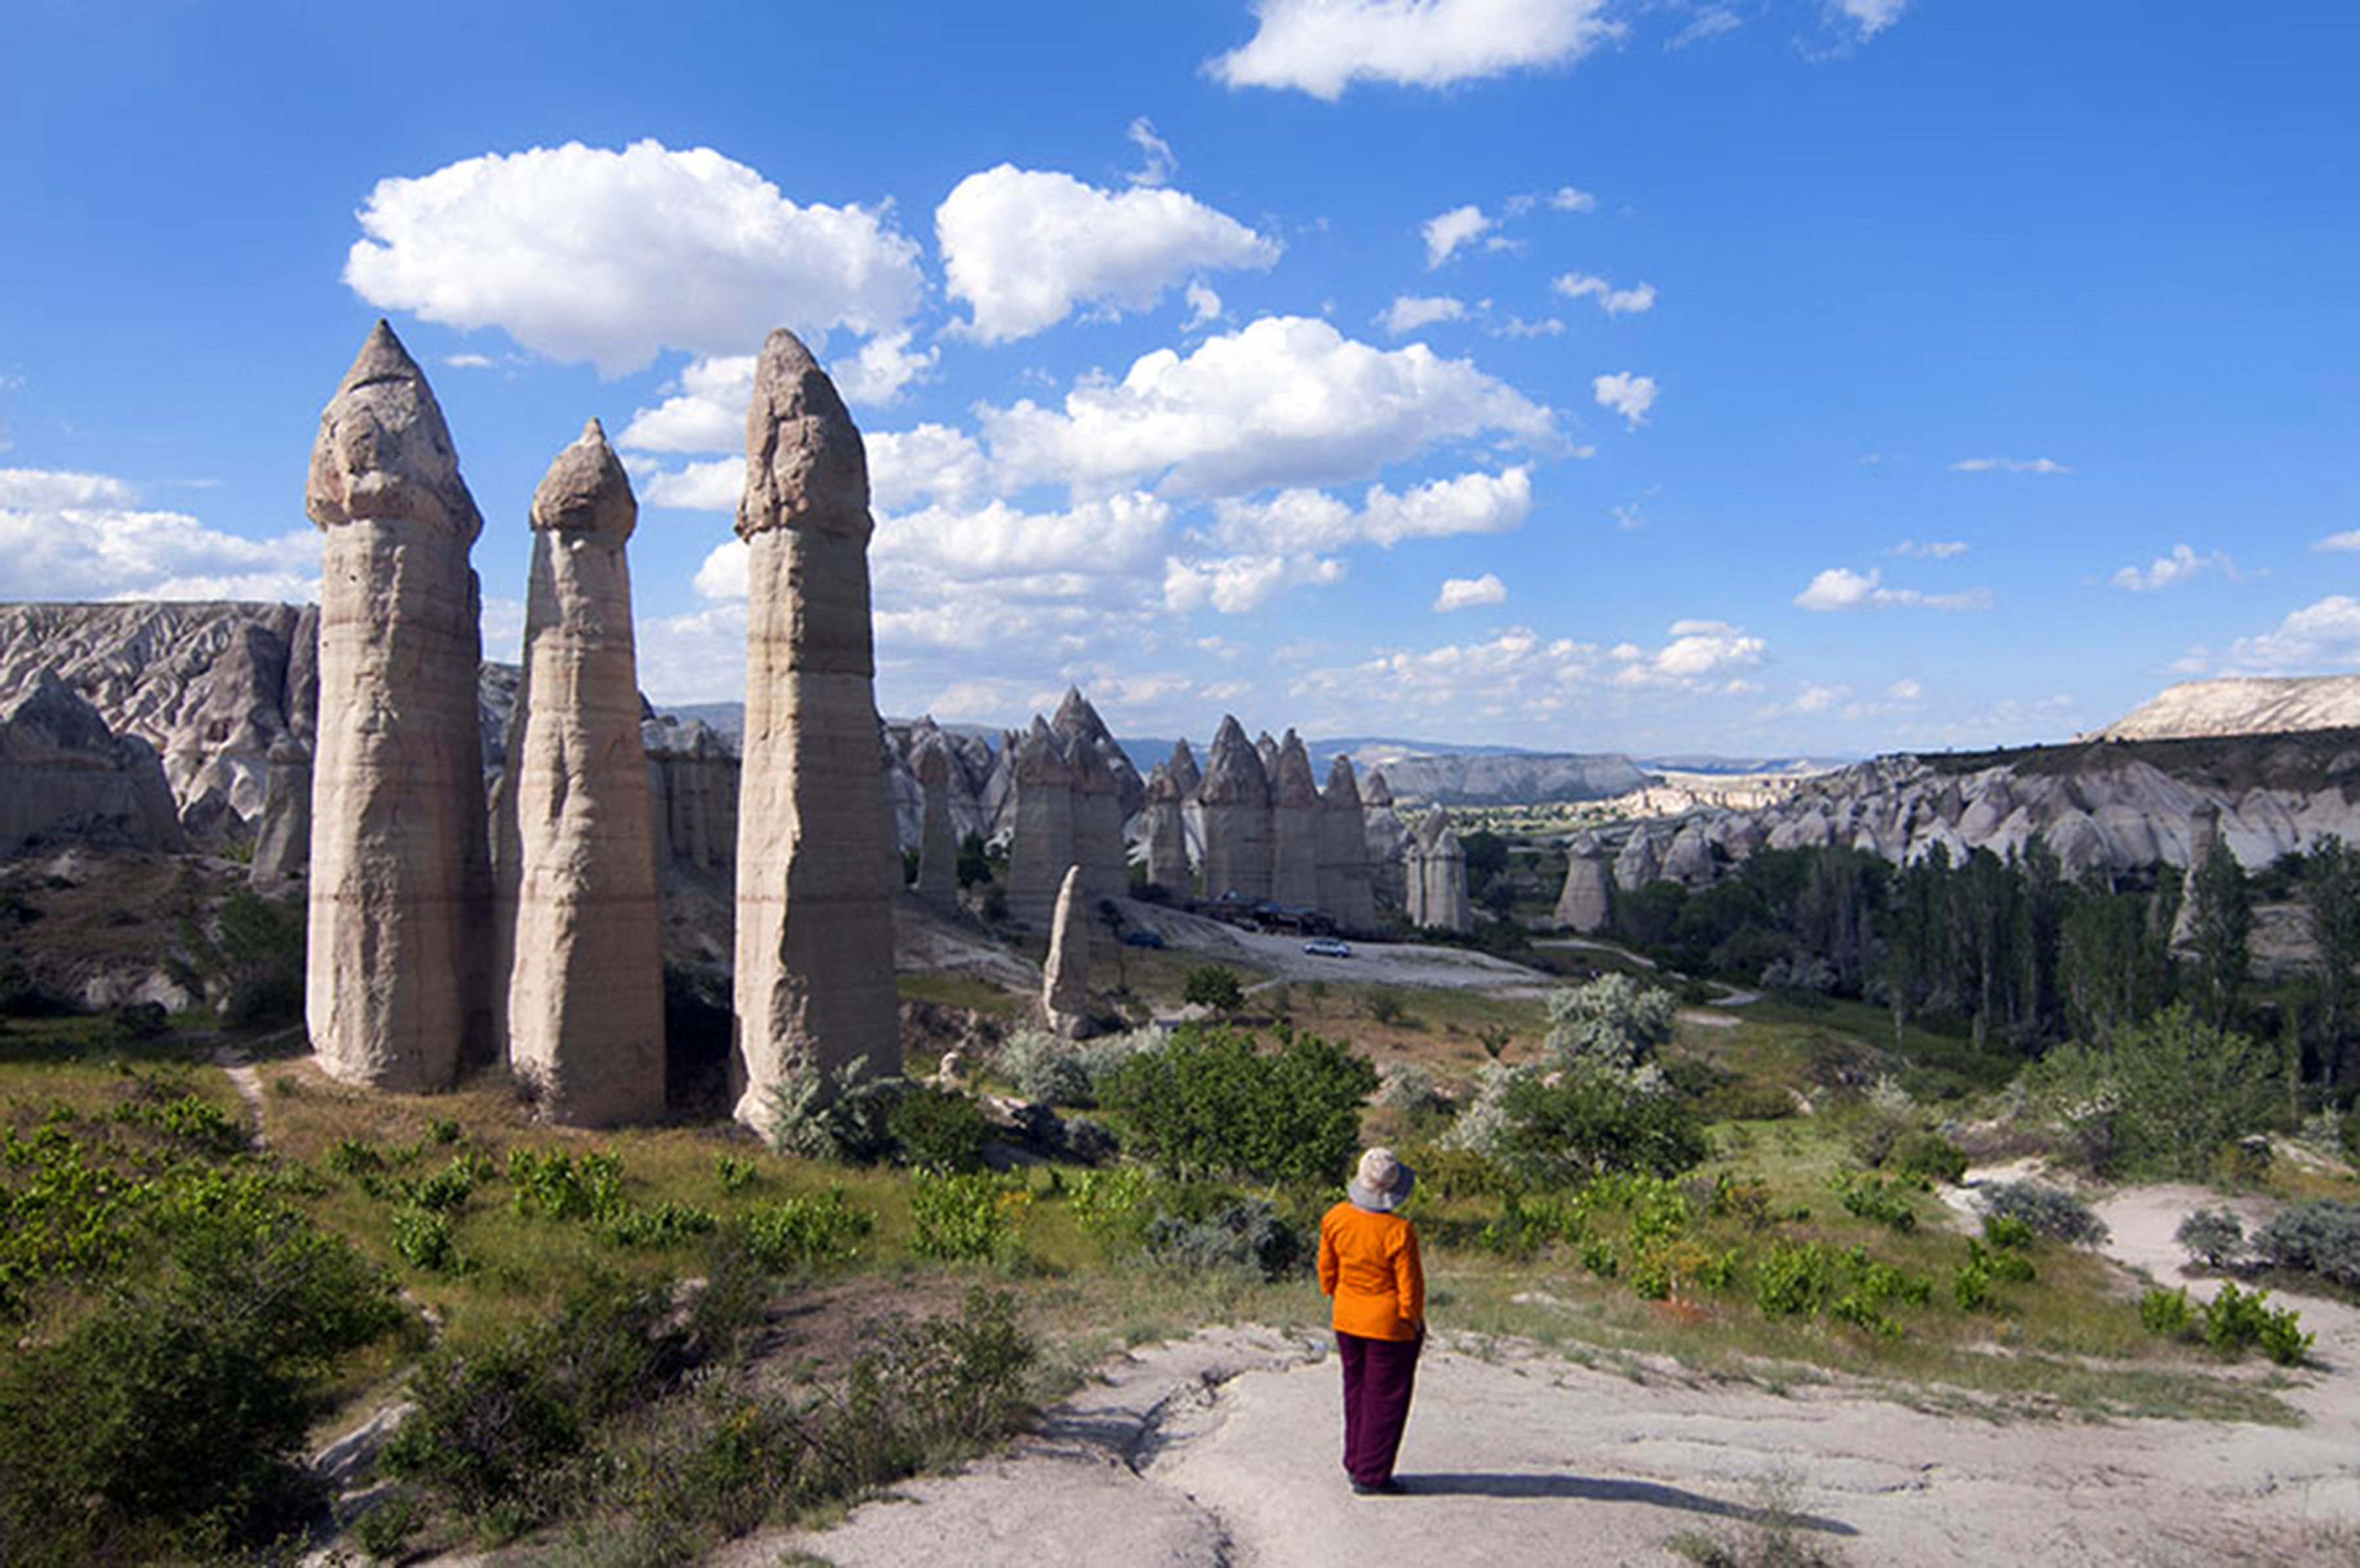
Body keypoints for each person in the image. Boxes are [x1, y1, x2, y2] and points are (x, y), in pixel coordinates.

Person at [1318, 1146, 1425, 1495]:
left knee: (1356, 1391)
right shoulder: (1399, 1230)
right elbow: (1410, 1286)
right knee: (1385, 1400)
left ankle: (1355, 1461)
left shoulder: (1335, 1217)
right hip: (1387, 1324)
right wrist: (1412, 1321)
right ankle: (1372, 1474)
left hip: (1347, 1316)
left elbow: (1326, 1269)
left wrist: (1335, 1293)